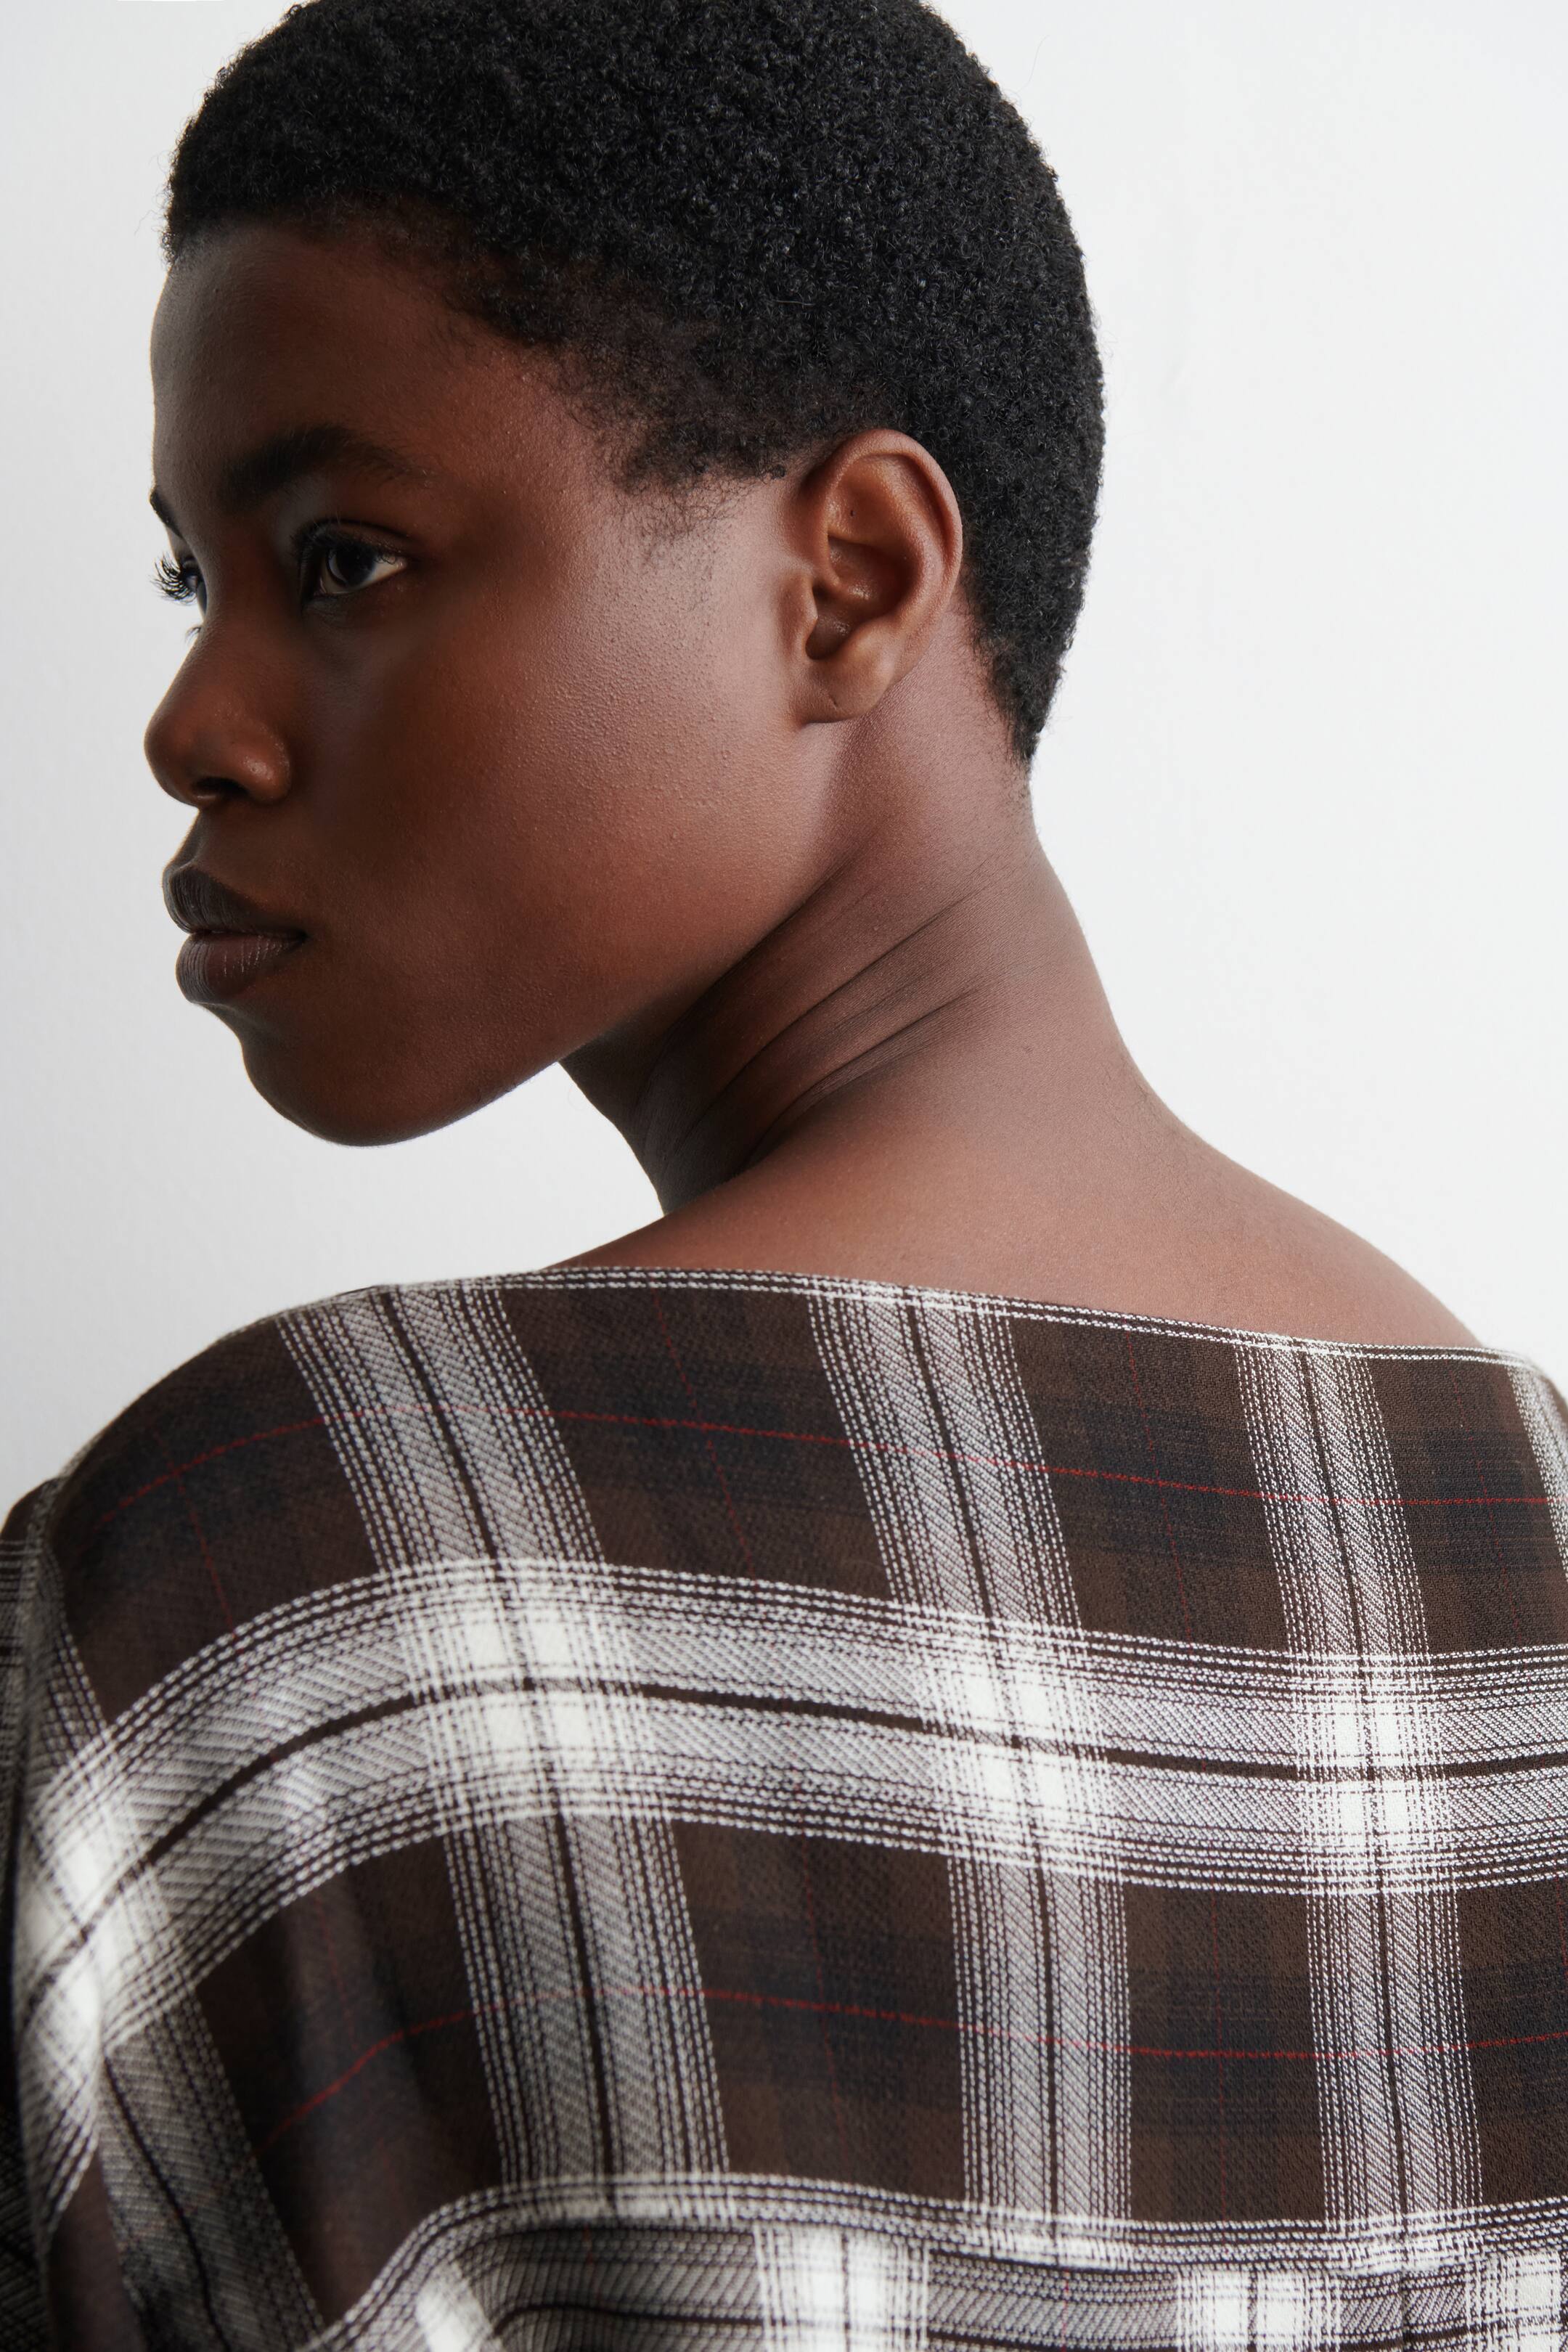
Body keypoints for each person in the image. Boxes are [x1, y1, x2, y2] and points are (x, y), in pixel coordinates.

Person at [4, 0, 1566, 2343]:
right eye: (187, 583)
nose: (192, 724)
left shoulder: (271, 1583)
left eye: (340, 560)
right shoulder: (1537, 1544)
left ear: (847, 577)